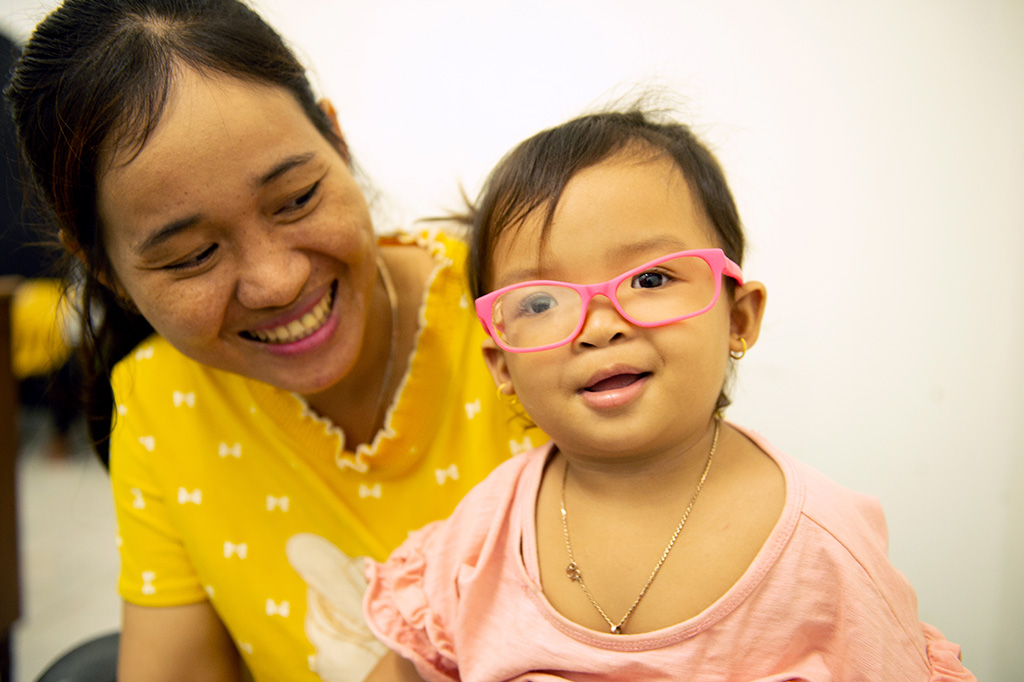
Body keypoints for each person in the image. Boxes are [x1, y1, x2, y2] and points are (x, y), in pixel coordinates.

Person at [4, 1, 540, 680]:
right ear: (105, 268)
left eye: (295, 200)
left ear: (336, 141)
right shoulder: (161, 400)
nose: (278, 281)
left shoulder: (525, 316)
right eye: (194, 255)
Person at [361, 109, 977, 681]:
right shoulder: (487, 530)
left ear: (738, 319)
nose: (601, 326)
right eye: (542, 301)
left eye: (651, 278)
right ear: (501, 364)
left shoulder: (824, 551)